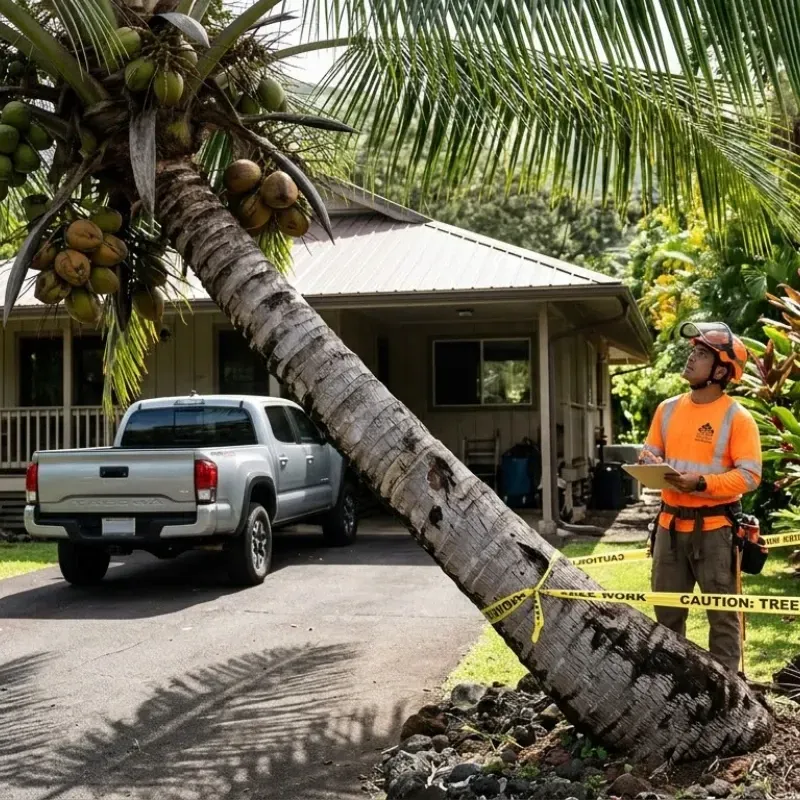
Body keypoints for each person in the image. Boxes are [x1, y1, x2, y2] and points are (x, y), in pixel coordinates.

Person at [639, 322, 761, 672]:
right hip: (669, 527)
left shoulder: (738, 418)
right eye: (693, 351)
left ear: (721, 370)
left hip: (715, 531)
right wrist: (647, 462)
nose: (691, 358)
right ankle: (671, 684)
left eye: (702, 354)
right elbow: (651, 452)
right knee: (666, 613)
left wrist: (703, 484)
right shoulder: (667, 409)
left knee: (723, 618)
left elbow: (750, 476)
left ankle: (727, 691)